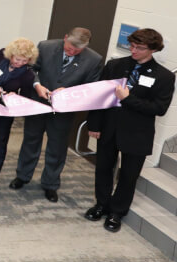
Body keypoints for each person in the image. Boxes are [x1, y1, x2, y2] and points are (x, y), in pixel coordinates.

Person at [85, 28, 175, 232]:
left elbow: (159, 109)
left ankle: (117, 212)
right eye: (132, 46)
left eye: (140, 48)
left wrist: (128, 99)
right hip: (108, 128)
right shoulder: (115, 65)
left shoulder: (164, 76)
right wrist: (94, 124)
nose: (133, 50)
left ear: (153, 49)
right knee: (103, 169)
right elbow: (99, 96)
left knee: (128, 175)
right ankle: (101, 204)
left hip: (137, 134)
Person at [10, 27, 102, 203]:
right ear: (65, 37)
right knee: (31, 140)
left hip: (63, 111)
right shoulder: (45, 47)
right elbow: (31, 69)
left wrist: (68, 92)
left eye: (77, 50)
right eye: (69, 48)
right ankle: (22, 176)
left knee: (57, 148)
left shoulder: (94, 59)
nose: (72, 52)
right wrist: (37, 85)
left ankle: (50, 185)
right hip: (37, 102)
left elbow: (90, 87)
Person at [0, 38, 38, 193]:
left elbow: (25, 98)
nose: (19, 63)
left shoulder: (28, 75)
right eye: (17, 59)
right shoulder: (1, 56)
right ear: (11, 55)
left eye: (24, 60)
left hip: (5, 112)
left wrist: (13, 97)